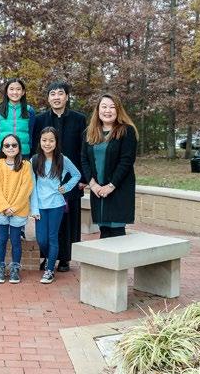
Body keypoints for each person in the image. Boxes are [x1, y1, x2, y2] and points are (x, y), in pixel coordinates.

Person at [33, 81, 86, 272]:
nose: (56, 97)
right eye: (52, 94)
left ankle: (65, 258)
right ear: (48, 98)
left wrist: (83, 179)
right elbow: (34, 148)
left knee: (69, 220)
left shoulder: (79, 119)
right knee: (46, 222)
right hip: (46, 179)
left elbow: (84, 150)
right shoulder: (40, 120)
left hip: (70, 179)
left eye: (60, 93)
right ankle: (47, 257)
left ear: (67, 97)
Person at [81, 93, 138, 239]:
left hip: (118, 190)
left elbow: (126, 161)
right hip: (98, 191)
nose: (108, 111)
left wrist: (111, 186)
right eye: (104, 107)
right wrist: (93, 185)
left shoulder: (126, 131)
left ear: (118, 110)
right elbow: (84, 160)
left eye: (112, 107)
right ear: (98, 110)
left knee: (117, 233)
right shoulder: (90, 132)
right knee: (104, 231)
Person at [30, 127, 81, 284]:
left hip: (56, 205)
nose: (47, 143)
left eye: (51, 140)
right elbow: (32, 186)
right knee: (41, 239)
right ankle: (49, 259)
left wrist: (66, 188)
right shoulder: (35, 160)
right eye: (44, 140)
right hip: (40, 206)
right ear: (40, 141)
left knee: (52, 237)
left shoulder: (62, 159)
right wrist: (34, 208)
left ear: (56, 142)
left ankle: (50, 269)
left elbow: (77, 175)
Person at [0, 134, 33, 284]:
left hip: (18, 210)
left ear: (19, 147)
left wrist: (14, 207)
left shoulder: (26, 165)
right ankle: (0, 268)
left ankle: (15, 268)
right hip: (0, 209)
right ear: (2, 148)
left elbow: (26, 188)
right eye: (7, 145)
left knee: (16, 240)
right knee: (1, 240)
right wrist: (4, 206)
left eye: (14, 145)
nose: (10, 148)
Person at [0, 78, 36, 159]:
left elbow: (31, 133)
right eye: (11, 89)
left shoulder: (29, 111)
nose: (15, 92)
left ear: (23, 92)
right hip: (2, 153)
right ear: (6, 92)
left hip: (23, 153)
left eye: (18, 89)